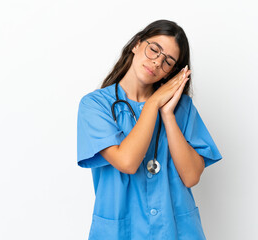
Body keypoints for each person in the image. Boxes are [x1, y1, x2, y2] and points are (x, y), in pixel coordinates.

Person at [77, 19, 223, 240]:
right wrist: (153, 104)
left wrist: (167, 115)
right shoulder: (95, 105)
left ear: (171, 72)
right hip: (121, 232)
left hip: (177, 231)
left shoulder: (181, 108)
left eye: (168, 62)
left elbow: (192, 176)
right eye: (154, 50)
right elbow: (127, 162)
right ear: (136, 44)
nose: (156, 63)